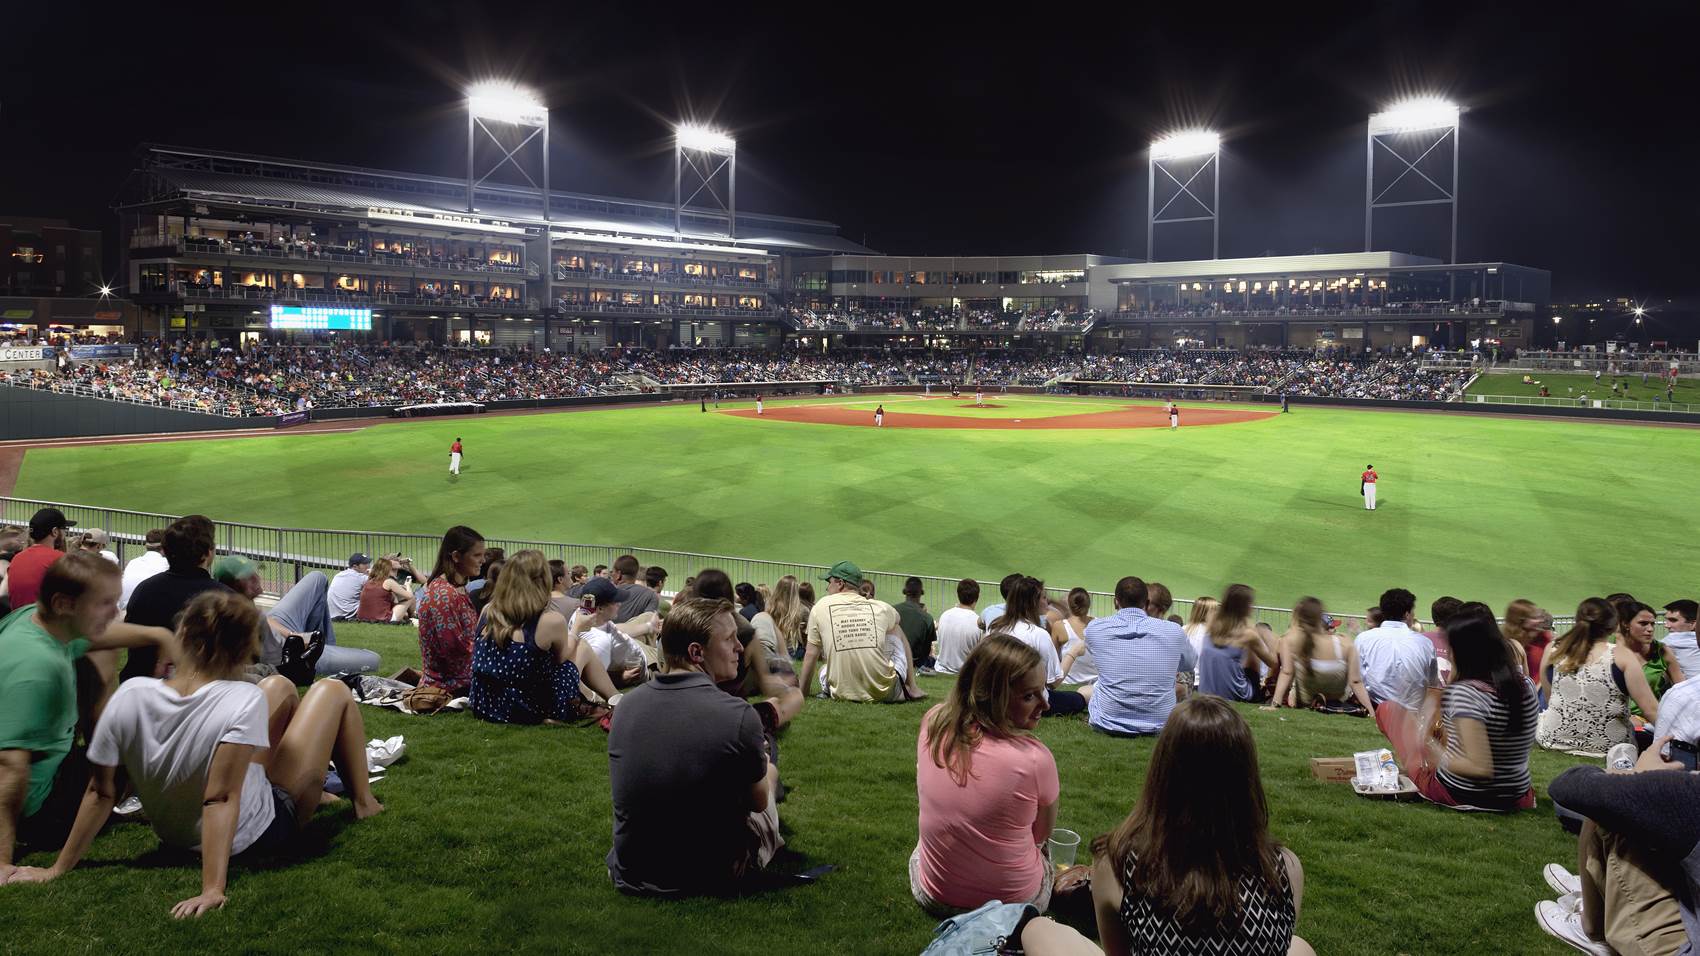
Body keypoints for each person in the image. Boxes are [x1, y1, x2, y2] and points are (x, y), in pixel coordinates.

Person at [3, 589, 383, 917]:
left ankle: (321, 788)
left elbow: (102, 792)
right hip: (260, 832)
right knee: (332, 692)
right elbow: (219, 797)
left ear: (182, 634)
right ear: (243, 650)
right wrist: (212, 888)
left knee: (281, 686)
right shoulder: (242, 698)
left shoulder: (133, 693)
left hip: (176, 835)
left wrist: (57, 869)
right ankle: (364, 802)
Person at [606, 598, 802, 896]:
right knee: (767, 779)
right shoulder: (737, 714)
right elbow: (758, 801)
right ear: (696, 652)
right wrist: (765, 765)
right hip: (711, 874)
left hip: (632, 869)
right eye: (729, 639)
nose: (739, 647)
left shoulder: (626, 707)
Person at [0, 552, 179, 878]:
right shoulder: (38, 668)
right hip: (37, 811)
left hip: (48, 765)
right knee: (144, 738)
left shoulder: (34, 619)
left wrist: (159, 635)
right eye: (105, 603)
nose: (116, 613)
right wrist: (3, 861)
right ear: (64, 604)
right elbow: (9, 769)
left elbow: (100, 638)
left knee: (101, 654)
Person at [1090, 696, 1310, 956]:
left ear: (1163, 770)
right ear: (1246, 777)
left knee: (1046, 932)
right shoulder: (1285, 869)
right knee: (1300, 947)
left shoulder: (1117, 865)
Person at [911, 636, 1058, 917]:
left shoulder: (935, 720)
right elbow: (1041, 835)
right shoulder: (1035, 759)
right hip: (1014, 906)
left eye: (1043, 691)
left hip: (933, 894)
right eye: (1029, 696)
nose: (1045, 705)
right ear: (990, 694)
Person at [1538, 745, 1700, 956]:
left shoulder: (1689, 796)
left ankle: (1590, 927)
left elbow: (1567, 786)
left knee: (1609, 812)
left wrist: (1636, 775)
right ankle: (1600, 893)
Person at [471, 551, 622, 724]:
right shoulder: (549, 620)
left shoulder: (488, 610)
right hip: (528, 708)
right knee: (582, 647)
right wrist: (577, 628)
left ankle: (611, 698)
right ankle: (616, 699)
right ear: (542, 581)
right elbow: (562, 659)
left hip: (485, 703)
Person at [1413, 603, 1539, 811]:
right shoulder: (1526, 685)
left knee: (1390, 712)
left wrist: (1430, 749)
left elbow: (1479, 767)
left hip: (1465, 794)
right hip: (1517, 795)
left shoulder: (1466, 693)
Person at [120, 515, 233, 683]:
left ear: (165, 551)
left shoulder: (145, 590)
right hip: (203, 694)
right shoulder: (227, 599)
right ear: (208, 553)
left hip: (140, 689)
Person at [1537, 598, 1656, 757]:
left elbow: (1550, 697)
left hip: (1554, 739)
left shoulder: (1554, 648)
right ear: (1615, 626)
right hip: (1610, 746)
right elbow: (1651, 710)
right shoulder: (1621, 655)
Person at [1082, 576, 1196, 737]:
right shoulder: (1174, 631)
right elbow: (1189, 663)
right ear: (1147, 603)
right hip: (1159, 723)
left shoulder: (1095, 628)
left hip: (1108, 721)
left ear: (1116, 602)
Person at [798, 560, 922, 703]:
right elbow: (897, 620)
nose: (827, 587)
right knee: (895, 627)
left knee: (824, 670)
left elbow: (811, 653)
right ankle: (912, 686)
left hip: (841, 693)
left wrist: (803, 691)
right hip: (883, 693)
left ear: (840, 583)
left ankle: (836, 687)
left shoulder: (820, 606)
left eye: (829, 582)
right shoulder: (880, 607)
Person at [1354, 588, 1441, 773]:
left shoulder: (1363, 638)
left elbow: (1356, 679)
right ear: (1407, 614)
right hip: (1411, 710)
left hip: (1378, 706)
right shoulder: (1424, 643)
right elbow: (1432, 684)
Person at [991, 577, 1085, 716]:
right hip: (1030, 701)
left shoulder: (995, 628)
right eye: (1044, 597)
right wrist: (1073, 653)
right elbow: (1053, 682)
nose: (1047, 602)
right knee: (1081, 698)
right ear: (1033, 602)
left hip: (997, 698)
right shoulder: (1037, 634)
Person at [415, 526, 485, 697]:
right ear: (456, 556)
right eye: (477, 555)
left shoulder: (455, 588)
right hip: (451, 685)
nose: (482, 560)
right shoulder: (444, 594)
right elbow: (453, 651)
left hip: (459, 678)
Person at [1267, 598, 1371, 713]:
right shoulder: (1345, 642)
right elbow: (1356, 681)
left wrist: (1275, 704)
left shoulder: (1290, 640)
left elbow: (1287, 672)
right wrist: (1371, 712)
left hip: (1305, 702)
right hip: (1336, 703)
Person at [568, 575, 660, 689]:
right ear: (600, 608)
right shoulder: (600, 643)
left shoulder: (582, 614)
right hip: (646, 665)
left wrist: (649, 627)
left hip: (629, 647)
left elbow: (613, 629)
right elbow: (591, 681)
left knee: (649, 616)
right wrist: (619, 678)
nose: (619, 604)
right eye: (615, 601)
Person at [1198, 584, 1279, 703]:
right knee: (1252, 651)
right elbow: (1272, 662)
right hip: (1235, 694)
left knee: (1241, 652)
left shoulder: (1212, 622)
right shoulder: (1248, 634)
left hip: (1206, 691)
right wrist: (1267, 635)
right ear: (1245, 607)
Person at [1613, 598, 1682, 717]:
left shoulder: (1662, 651)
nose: (1650, 629)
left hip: (1651, 720)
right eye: (1643, 623)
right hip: (1615, 719)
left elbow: (1682, 689)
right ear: (1625, 624)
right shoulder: (1608, 650)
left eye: (1652, 624)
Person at [6, 507, 76, 611]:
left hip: (16, 622)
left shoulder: (17, 558)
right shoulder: (60, 559)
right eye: (64, 529)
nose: (65, 534)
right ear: (55, 532)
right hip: (42, 625)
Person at [751, 574, 808, 666]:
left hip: (773, 648)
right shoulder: (801, 609)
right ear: (795, 591)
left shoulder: (769, 606)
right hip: (791, 652)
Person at [933, 578, 985, 676]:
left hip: (941, 668)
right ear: (977, 597)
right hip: (965, 672)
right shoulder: (979, 622)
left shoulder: (945, 615)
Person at [1054, 587, 1098, 686]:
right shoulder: (1100, 624)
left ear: (1069, 605)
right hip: (1095, 683)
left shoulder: (1059, 626)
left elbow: (1053, 657)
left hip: (1068, 683)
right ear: (1088, 605)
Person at [355, 556, 418, 624]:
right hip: (382, 618)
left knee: (394, 600)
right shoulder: (388, 582)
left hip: (362, 617)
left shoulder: (369, 581)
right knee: (409, 599)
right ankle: (412, 617)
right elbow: (409, 596)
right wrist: (408, 585)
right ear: (386, 570)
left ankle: (409, 617)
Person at [1503, 599, 1554, 683]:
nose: (1540, 621)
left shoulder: (1546, 639)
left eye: (1539, 617)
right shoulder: (1506, 646)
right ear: (1520, 621)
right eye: (1534, 618)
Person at [118, 528, 169, 611]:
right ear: (164, 547)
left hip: (125, 612)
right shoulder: (166, 564)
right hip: (144, 615)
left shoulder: (133, 562)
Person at [895, 577, 938, 673]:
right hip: (916, 663)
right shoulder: (927, 618)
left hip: (894, 659)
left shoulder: (892, 610)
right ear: (921, 592)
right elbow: (926, 650)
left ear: (904, 592)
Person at [610, 554, 659, 624]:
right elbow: (650, 625)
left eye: (613, 571)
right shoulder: (651, 595)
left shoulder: (604, 592)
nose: (611, 574)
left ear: (618, 574)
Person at [325, 553, 370, 621]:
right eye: (364, 564)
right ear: (355, 566)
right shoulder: (361, 578)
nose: (367, 566)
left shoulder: (339, 574)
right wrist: (372, 573)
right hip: (348, 613)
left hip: (332, 613)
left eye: (367, 563)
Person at [1663, 599, 1700, 679]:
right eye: (1666, 620)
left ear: (1693, 624)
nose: (1666, 625)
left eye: (1673, 620)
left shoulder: (1672, 640)